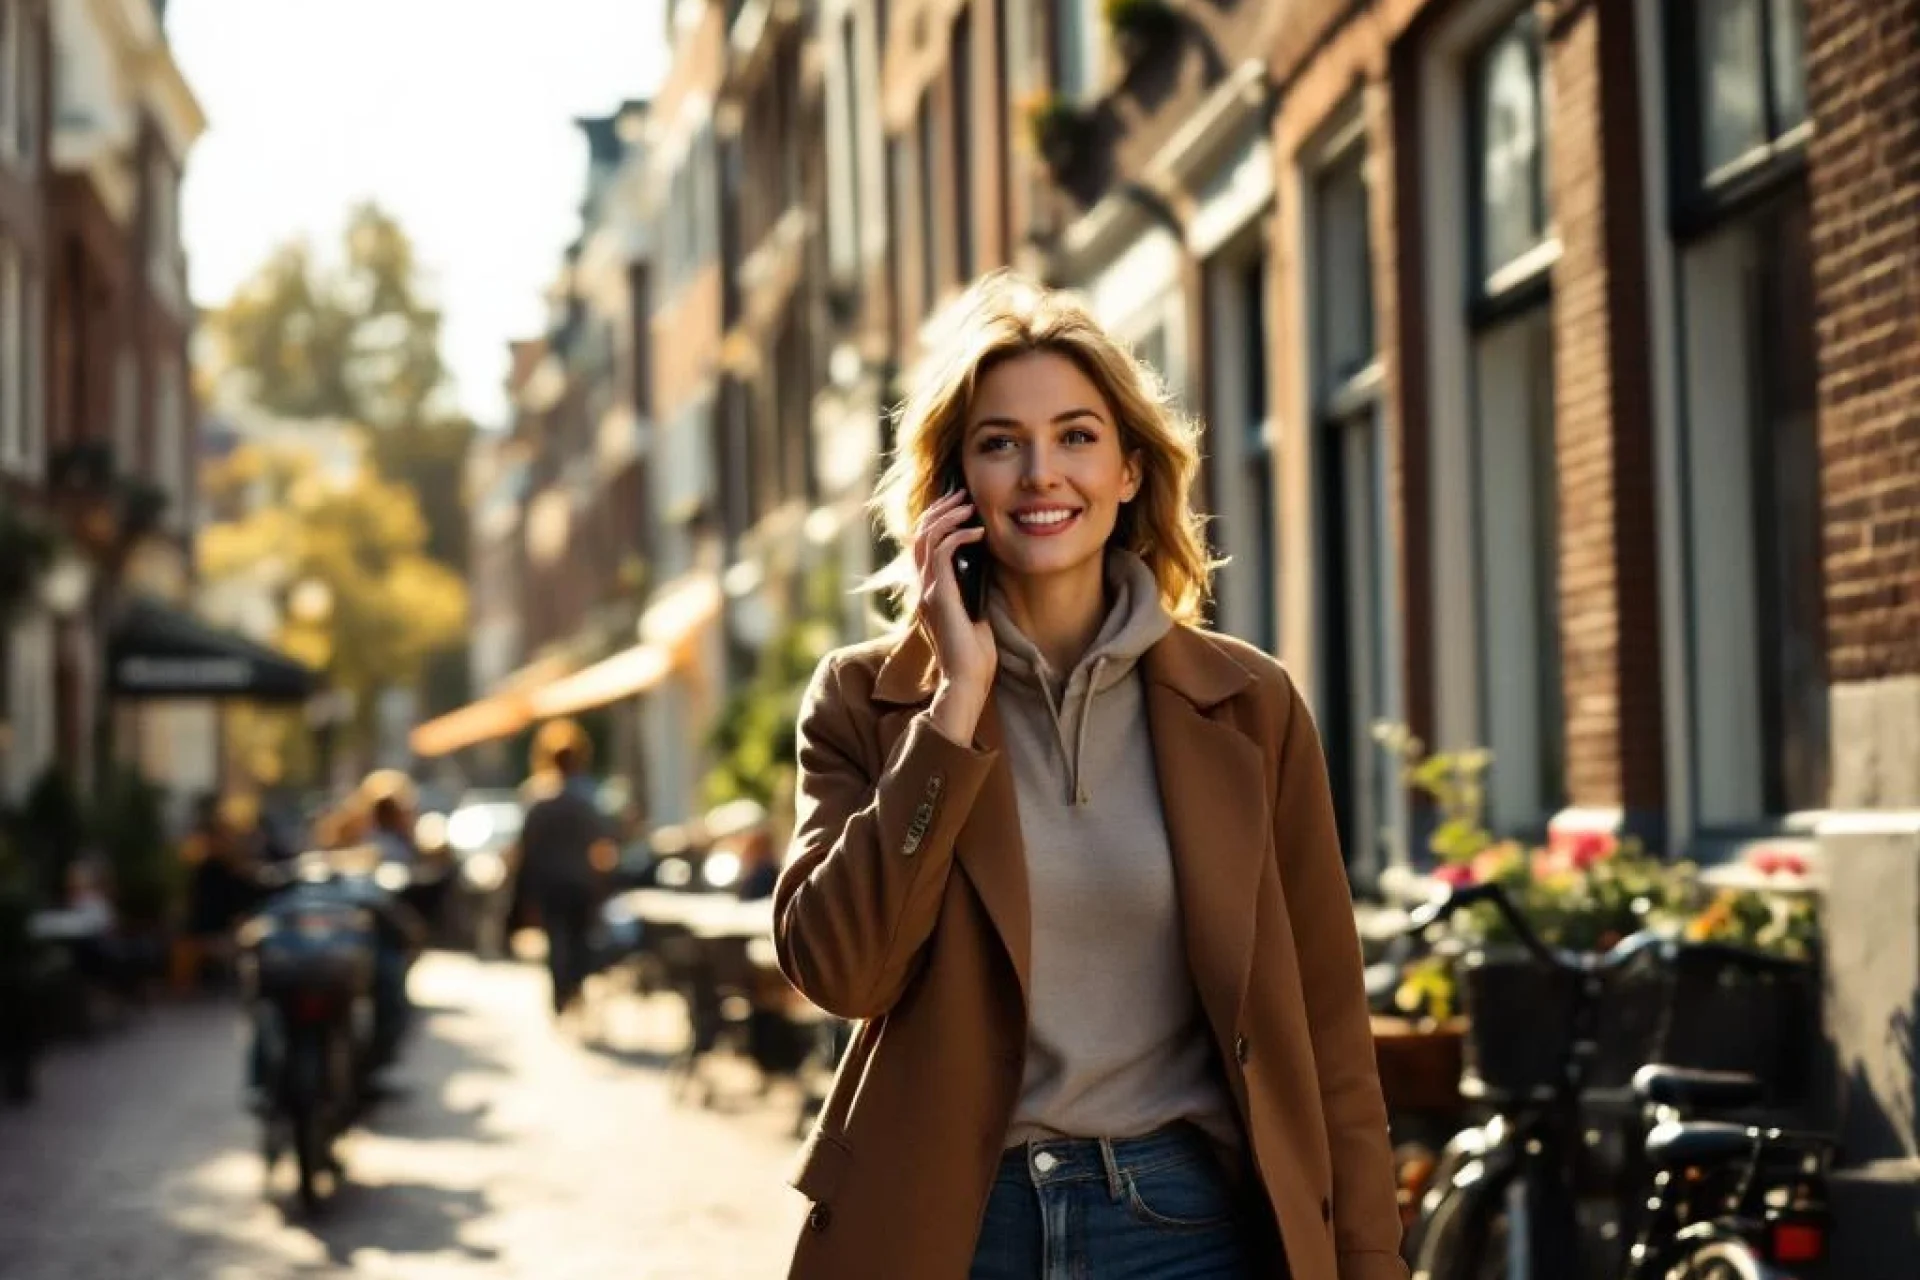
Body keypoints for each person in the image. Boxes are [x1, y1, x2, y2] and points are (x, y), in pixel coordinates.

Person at [773, 272, 1406, 1280]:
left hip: (1190, 1230)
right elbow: (843, 972)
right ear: (954, 486)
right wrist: (955, 704)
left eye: (1076, 436)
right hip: (954, 1230)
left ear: (1128, 470)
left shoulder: (1249, 703)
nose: (1041, 474)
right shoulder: (868, 701)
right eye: (999, 443)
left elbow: (1331, 1027)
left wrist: (1370, 1259)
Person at [516, 734, 612, 1018]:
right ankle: (572, 990)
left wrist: (524, 890)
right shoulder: (587, 798)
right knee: (578, 941)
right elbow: (602, 844)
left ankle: (562, 993)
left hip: (550, 882)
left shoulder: (539, 799)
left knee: (557, 941)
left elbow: (527, 847)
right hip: (579, 881)